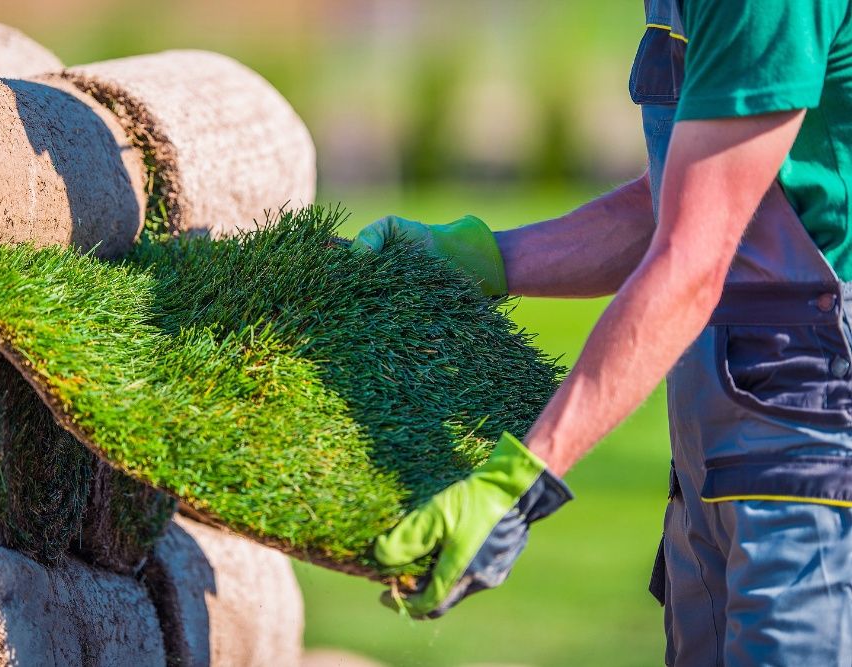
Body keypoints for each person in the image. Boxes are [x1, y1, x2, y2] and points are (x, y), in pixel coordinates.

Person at [355, 1, 852, 664]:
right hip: (720, 443)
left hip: (812, 451)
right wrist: (484, 258)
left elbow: (691, 260)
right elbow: (680, 202)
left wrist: (519, 481)